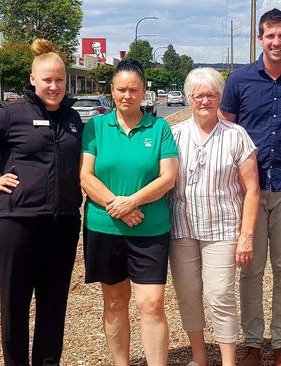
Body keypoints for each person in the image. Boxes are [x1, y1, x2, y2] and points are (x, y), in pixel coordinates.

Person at [0, 39, 83, 366]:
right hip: (17, 224)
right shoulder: (11, 114)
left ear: (66, 80)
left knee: (53, 307)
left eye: (59, 80)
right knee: (15, 304)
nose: (54, 86)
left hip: (63, 224)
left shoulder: (73, 119)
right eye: (47, 80)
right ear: (33, 78)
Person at [220, 8, 281, 366]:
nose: (276, 42)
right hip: (249, 190)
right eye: (269, 35)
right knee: (251, 267)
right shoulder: (239, 80)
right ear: (260, 39)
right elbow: (226, 132)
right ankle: (251, 342)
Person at [79, 59, 179, 366]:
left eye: (133, 90)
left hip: (150, 229)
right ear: (111, 91)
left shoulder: (159, 128)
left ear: (144, 92)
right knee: (114, 301)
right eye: (121, 89)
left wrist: (132, 202)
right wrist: (119, 208)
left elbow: (167, 178)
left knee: (151, 304)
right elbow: (86, 176)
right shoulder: (96, 127)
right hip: (105, 228)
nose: (127, 95)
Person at [169, 67, 260, 366]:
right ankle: (199, 357)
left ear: (220, 97)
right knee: (188, 294)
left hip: (222, 229)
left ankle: (228, 360)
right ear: (189, 98)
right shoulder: (175, 134)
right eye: (198, 95)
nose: (204, 101)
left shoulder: (237, 136)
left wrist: (246, 236)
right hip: (182, 228)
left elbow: (252, 190)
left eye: (211, 95)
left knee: (220, 295)